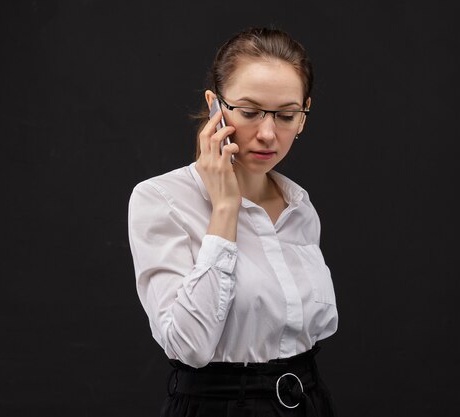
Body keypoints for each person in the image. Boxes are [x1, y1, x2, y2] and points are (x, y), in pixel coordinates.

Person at [127, 26, 339, 416]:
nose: (268, 134)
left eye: (287, 115)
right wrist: (225, 209)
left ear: (304, 116)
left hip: (309, 401)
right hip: (220, 405)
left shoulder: (300, 206)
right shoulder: (161, 200)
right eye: (249, 111)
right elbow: (188, 347)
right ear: (214, 106)